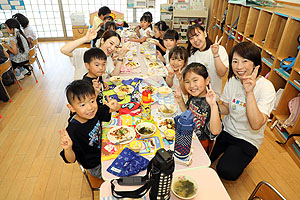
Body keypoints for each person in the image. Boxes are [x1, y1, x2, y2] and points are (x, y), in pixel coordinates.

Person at [210, 42, 276, 181]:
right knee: (205, 156)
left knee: (226, 171)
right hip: (227, 130)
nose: (239, 67)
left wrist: (249, 92)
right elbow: (227, 109)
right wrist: (211, 105)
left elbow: (256, 125)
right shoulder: (233, 80)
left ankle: (236, 154)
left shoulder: (266, 88)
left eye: (245, 61)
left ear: (255, 64)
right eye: (235, 61)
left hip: (247, 138)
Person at [58, 80, 120, 187]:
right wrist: (68, 148)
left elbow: (107, 110)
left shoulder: (92, 113)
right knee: (123, 176)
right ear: (72, 108)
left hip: (105, 149)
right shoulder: (73, 131)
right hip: (95, 165)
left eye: (92, 101)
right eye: (82, 105)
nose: (90, 107)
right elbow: (71, 159)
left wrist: (114, 107)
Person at [174, 62, 222, 153]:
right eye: (187, 82)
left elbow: (215, 131)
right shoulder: (193, 97)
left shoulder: (211, 103)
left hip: (201, 144)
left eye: (195, 80)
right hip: (188, 136)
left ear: (207, 80)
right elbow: (187, 113)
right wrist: (180, 100)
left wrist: (213, 105)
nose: (191, 85)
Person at [60, 26, 128, 80]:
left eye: (116, 46)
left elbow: (114, 75)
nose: (113, 48)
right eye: (111, 43)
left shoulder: (108, 58)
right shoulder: (85, 53)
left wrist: (120, 57)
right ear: (102, 40)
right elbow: (64, 50)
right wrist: (86, 38)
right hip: (81, 94)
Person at [187, 24, 228, 99]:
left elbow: (222, 73)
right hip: (197, 94)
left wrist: (215, 54)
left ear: (205, 33)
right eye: (191, 38)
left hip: (213, 95)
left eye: (197, 35)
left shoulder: (219, 50)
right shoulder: (193, 56)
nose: (195, 40)